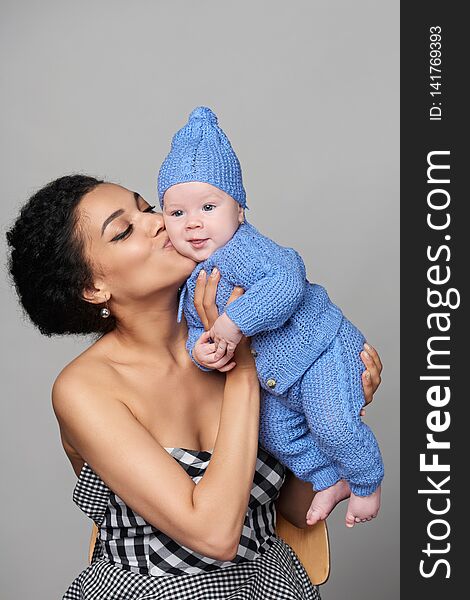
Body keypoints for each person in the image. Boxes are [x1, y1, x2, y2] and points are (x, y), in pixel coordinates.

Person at [6, 175, 382, 599]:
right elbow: (214, 535)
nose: (158, 223)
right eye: (124, 230)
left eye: (148, 208)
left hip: (267, 585)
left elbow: (295, 511)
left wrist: (335, 410)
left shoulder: (250, 329)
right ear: (94, 288)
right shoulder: (85, 389)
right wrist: (241, 368)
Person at [158, 107, 383, 528]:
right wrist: (203, 349)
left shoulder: (242, 248)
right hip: (277, 384)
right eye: (176, 213)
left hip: (318, 350)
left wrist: (231, 323)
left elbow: (287, 279)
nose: (193, 224)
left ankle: (367, 482)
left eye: (208, 206)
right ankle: (328, 477)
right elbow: (194, 329)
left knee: (332, 423)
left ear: (240, 210)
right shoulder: (191, 283)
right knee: (276, 434)